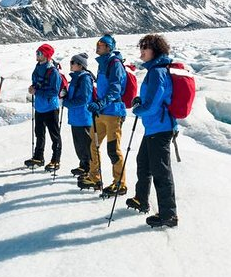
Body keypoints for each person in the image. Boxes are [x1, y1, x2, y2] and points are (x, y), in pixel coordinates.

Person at [127, 33, 179, 228]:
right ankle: (141, 199)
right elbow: (151, 99)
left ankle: (169, 215)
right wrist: (141, 102)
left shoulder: (157, 72)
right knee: (144, 163)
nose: (141, 52)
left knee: (161, 172)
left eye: (144, 48)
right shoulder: (155, 71)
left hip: (160, 127)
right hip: (154, 127)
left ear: (154, 51)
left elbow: (153, 104)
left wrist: (138, 108)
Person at [79, 34, 128, 196]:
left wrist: (100, 103)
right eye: (98, 43)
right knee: (92, 145)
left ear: (109, 47)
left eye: (101, 44)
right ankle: (95, 177)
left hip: (113, 113)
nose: (97, 45)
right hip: (101, 113)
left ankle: (119, 183)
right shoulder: (102, 64)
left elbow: (115, 89)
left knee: (113, 149)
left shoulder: (114, 64)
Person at [26, 43, 62, 170]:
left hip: (50, 107)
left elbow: (54, 92)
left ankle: (55, 160)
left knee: (54, 136)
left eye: (39, 53)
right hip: (40, 107)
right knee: (39, 133)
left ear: (46, 56)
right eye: (37, 52)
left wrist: (36, 92)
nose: (37, 55)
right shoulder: (38, 68)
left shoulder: (53, 72)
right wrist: (33, 88)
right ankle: (38, 157)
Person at [62, 52, 94, 177]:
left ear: (80, 65)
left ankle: (89, 168)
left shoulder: (85, 78)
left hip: (83, 117)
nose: (71, 64)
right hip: (76, 117)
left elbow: (84, 99)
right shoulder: (76, 78)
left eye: (73, 62)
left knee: (85, 144)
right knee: (79, 144)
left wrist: (67, 102)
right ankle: (83, 165)